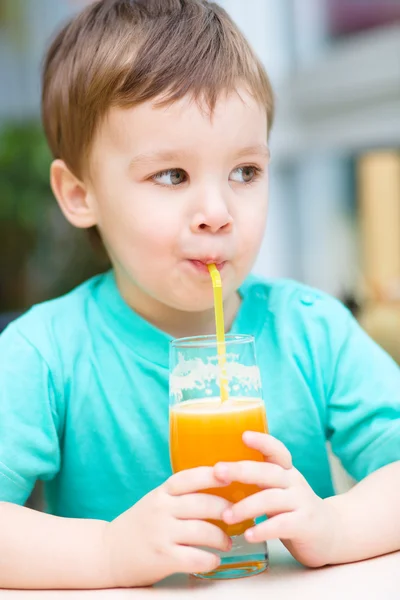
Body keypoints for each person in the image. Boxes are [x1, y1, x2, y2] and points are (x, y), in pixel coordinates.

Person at [0, 0, 399, 590]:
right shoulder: (45, 351)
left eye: (244, 172)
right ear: (80, 194)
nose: (217, 213)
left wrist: (336, 524)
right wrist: (110, 551)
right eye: (172, 176)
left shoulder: (313, 330)